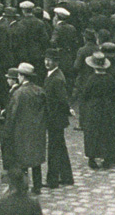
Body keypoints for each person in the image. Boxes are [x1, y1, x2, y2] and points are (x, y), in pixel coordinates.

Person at [0, 63, 45, 194]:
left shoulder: (19, 93)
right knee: (36, 159)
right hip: (37, 129)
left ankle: (21, 186)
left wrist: (7, 132)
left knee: (21, 159)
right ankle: (37, 186)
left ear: (21, 76)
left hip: (21, 131)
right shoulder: (39, 90)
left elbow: (12, 114)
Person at [78, 53, 115, 170]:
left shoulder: (91, 79)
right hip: (107, 109)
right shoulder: (109, 78)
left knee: (92, 132)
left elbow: (85, 95)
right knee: (106, 131)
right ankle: (106, 157)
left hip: (94, 109)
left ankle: (92, 158)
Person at [41, 52, 72, 190]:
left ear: (56, 62)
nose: (47, 63)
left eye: (50, 60)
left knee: (54, 149)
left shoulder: (57, 78)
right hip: (55, 118)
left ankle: (53, 179)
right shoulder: (52, 75)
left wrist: (65, 111)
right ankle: (66, 177)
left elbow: (63, 100)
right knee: (59, 147)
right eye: (46, 60)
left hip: (55, 119)